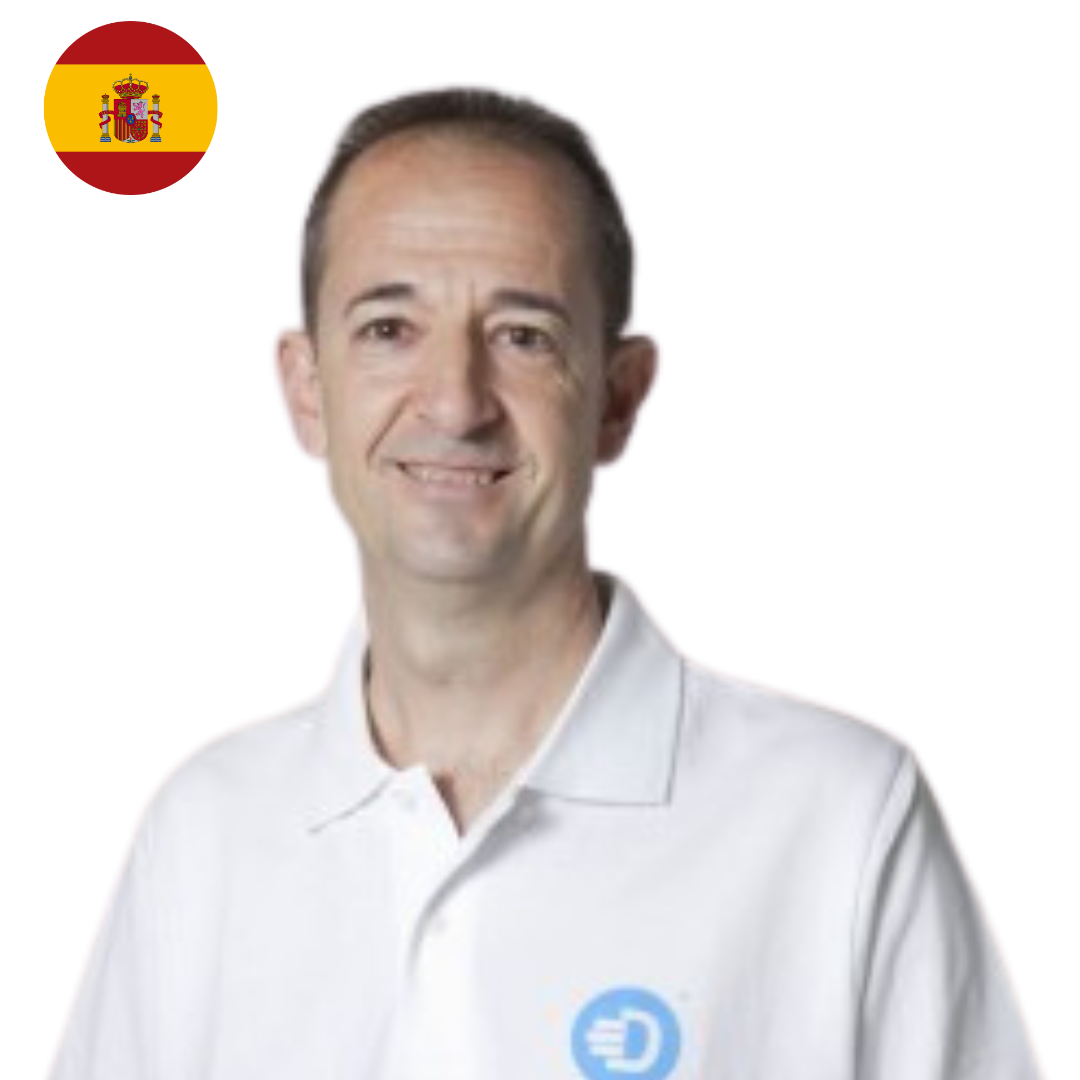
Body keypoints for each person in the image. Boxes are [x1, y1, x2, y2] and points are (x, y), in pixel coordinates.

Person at [50, 88, 1041, 1080]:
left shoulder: (838, 822)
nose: (455, 402)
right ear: (308, 390)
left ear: (617, 396)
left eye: (522, 336)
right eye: (389, 328)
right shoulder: (205, 836)